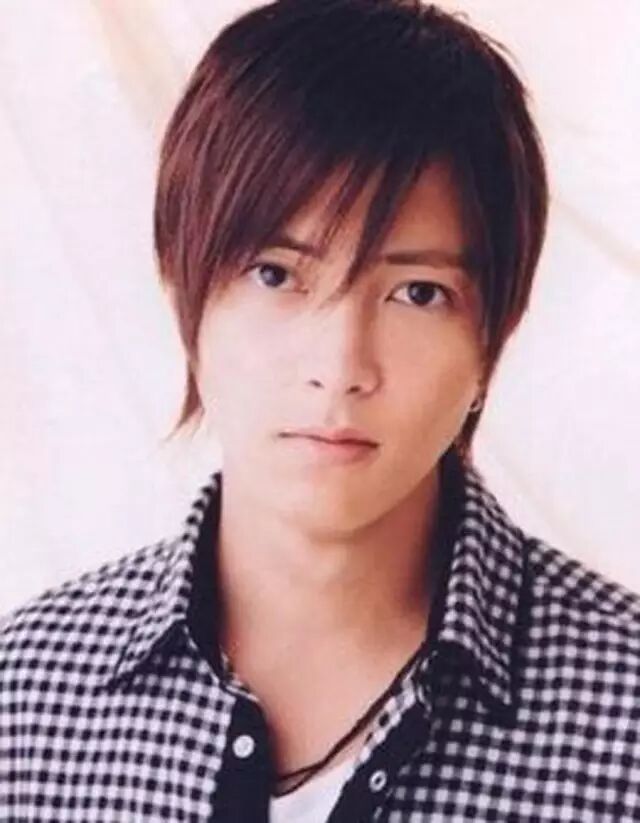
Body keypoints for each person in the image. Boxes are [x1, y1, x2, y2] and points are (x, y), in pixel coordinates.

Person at [2, 1, 639, 821]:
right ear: (182, 285)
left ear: (494, 330)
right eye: (276, 274)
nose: (339, 368)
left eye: (417, 292)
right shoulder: (28, 699)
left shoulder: (622, 714)